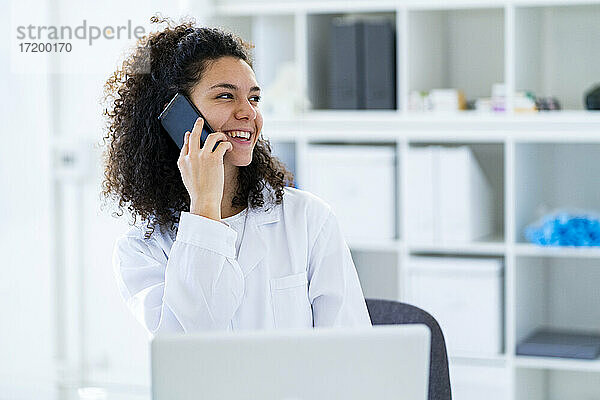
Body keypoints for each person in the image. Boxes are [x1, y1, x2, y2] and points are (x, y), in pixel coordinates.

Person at [101, 16, 371, 339]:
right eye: (226, 96)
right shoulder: (142, 249)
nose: (248, 113)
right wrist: (204, 206)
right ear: (176, 115)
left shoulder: (310, 220)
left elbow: (351, 351)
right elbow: (195, 345)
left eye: (254, 98)